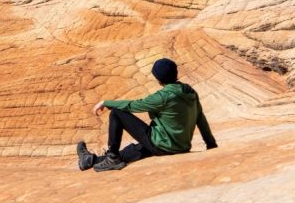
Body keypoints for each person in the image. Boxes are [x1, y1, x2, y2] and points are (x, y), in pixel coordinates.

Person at [77, 58, 217, 172]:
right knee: (132, 151)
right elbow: (200, 118)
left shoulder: (163, 96)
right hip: (181, 146)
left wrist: (106, 102)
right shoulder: (190, 91)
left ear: (158, 78)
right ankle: (89, 160)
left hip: (163, 145)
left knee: (117, 113)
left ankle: (112, 157)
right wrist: (211, 143)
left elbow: (134, 105)